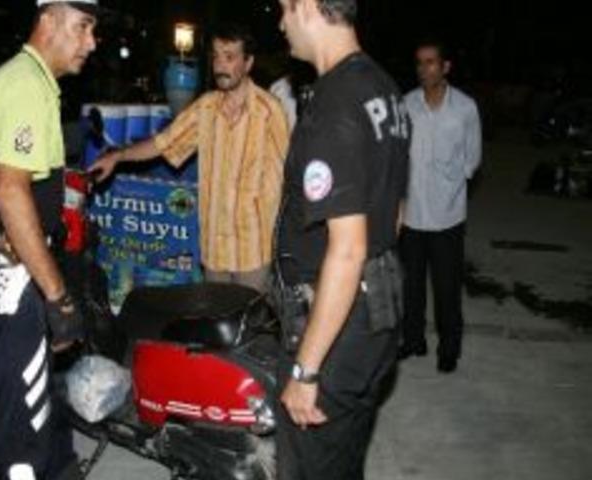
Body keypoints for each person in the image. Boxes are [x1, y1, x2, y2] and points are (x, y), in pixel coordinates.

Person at [0, 2, 97, 480]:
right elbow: (10, 193)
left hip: (3, 263)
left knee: (44, 400)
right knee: (23, 419)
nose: (91, 43)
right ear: (49, 20)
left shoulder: (27, 82)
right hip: (4, 276)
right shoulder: (25, 86)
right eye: (83, 27)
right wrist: (58, 298)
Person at [273, 0, 409, 478]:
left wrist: (306, 369)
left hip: (337, 325)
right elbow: (394, 213)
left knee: (311, 464)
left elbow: (348, 249)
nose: (281, 22)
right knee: (344, 457)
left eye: (284, 8)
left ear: (308, 6)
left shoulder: (335, 101)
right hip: (380, 307)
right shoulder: (384, 88)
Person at [89, 23, 289, 293]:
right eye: (216, 56)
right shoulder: (205, 107)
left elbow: (287, 174)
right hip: (215, 247)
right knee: (215, 325)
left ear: (248, 62)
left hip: (253, 247)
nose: (220, 65)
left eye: (229, 57)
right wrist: (119, 155)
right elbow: (163, 142)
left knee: (250, 329)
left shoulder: (270, 111)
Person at [398, 39, 482, 373]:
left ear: (445, 67)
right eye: (420, 63)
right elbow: (399, 156)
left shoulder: (465, 107)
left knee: (447, 289)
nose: (424, 69)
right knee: (411, 286)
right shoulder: (406, 104)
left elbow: (472, 158)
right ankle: (413, 340)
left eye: (431, 62)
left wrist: (452, 178)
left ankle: (449, 348)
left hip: (447, 215)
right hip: (413, 215)